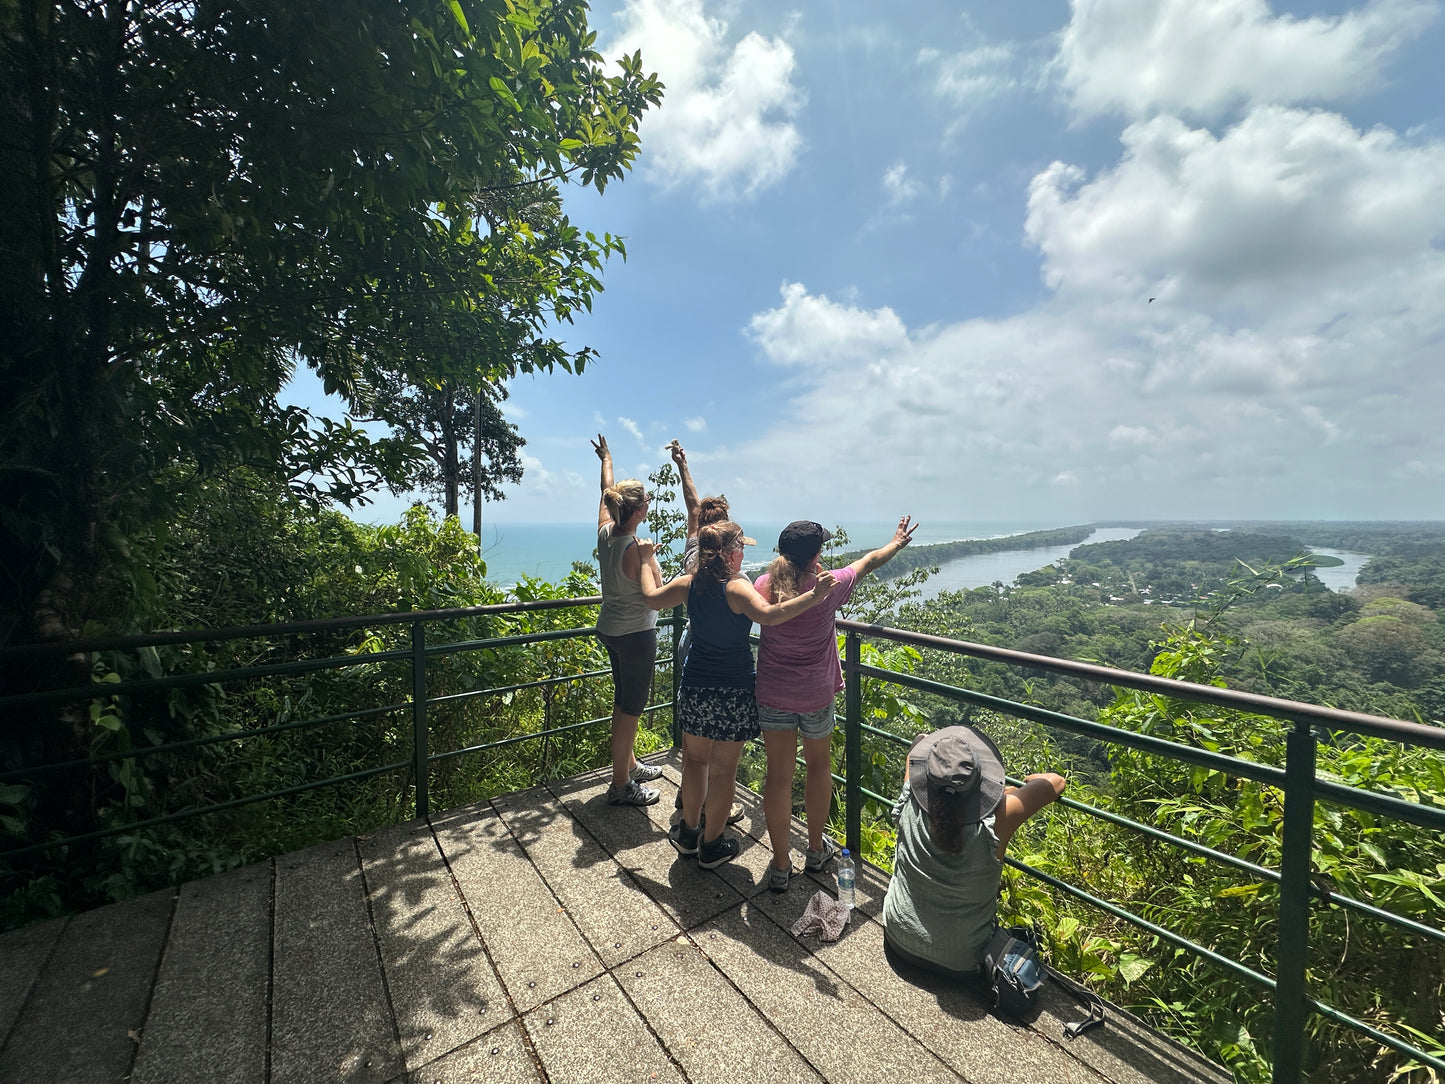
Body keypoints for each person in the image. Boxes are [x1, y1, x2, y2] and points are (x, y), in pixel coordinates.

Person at [636, 522, 837, 868]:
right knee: (723, 771)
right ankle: (712, 845)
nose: (744, 553)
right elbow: (772, 616)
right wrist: (814, 596)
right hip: (733, 690)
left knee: (695, 762)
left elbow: (650, 597)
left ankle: (688, 833)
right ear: (731, 555)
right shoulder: (737, 589)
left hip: (696, 685)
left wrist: (644, 560)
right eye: (741, 548)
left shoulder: (689, 585)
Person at [753, 516, 918, 892]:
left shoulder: (763, 585)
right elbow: (869, 561)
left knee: (778, 776)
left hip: (774, 692)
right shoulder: (828, 586)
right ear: (816, 555)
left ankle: (780, 865)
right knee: (818, 767)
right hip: (815, 694)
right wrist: (896, 542)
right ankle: (814, 850)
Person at [882, 726, 1067, 976]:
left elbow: (918, 745)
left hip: (899, 937)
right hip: (962, 961)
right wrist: (1008, 792)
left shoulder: (911, 794)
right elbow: (1055, 782)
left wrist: (938, 752)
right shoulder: (998, 818)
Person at [591, 434, 666, 806]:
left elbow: (606, 489)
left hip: (610, 629)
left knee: (622, 703)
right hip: (635, 635)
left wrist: (607, 458)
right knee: (629, 711)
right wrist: (650, 556)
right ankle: (620, 785)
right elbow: (658, 594)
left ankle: (630, 764)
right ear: (636, 511)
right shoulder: (635, 549)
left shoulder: (606, 531)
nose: (649, 505)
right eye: (647, 502)